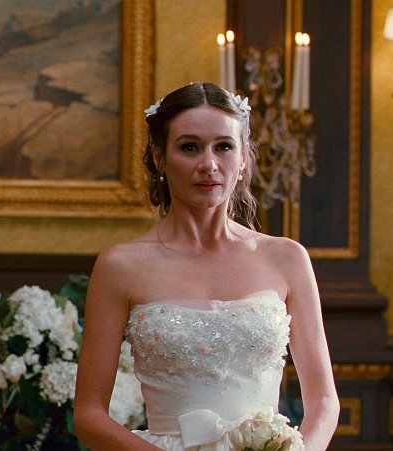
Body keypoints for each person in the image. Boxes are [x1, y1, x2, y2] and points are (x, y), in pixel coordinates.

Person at [73, 82, 339, 450]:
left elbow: (324, 401)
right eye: (189, 147)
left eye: (224, 147)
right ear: (159, 157)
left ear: (243, 158)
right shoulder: (120, 266)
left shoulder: (287, 258)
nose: (208, 165)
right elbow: (89, 415)